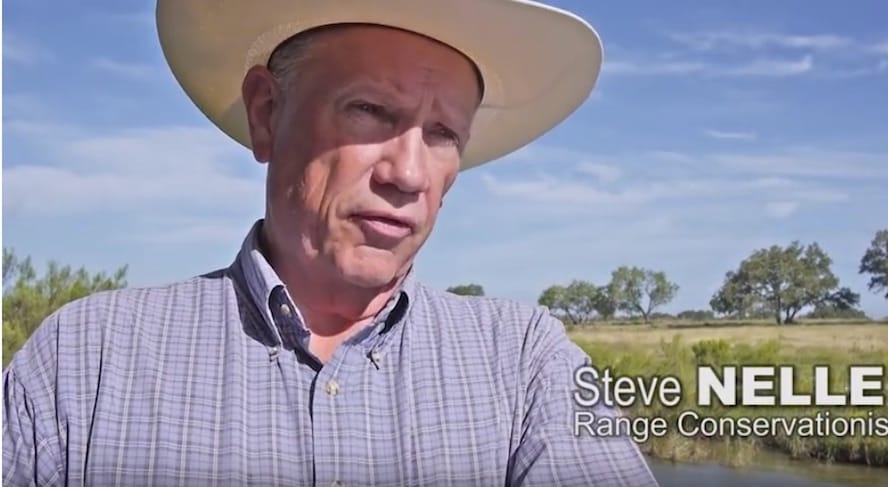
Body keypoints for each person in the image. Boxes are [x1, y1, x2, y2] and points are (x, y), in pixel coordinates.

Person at [3, 1, 660, 485]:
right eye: (371, 110)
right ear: (266, 112)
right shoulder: (84, 363)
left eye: (442, 135)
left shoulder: (523, 362)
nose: (408, 173)